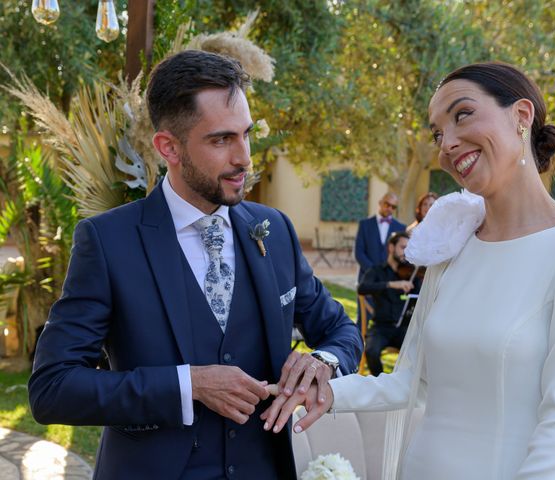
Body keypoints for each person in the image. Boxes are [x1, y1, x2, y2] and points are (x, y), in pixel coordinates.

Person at [262, 61, 555, 479]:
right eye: (437, 133)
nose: (447, 144)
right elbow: (405, 383)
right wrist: (318, 390)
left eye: (462, 115)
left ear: (521, 117)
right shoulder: (452, 246)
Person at [28, 50, 362, 480]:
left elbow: (342, 331)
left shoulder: (273, 229)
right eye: (221, 140)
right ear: (169, 147)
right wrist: (189, 386)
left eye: (246, 135)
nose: (243, 157)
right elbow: (53, 388)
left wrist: (324, 361)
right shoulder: (108, 241)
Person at [358, 231, 422, 376]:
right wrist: (391, 284)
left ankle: (403, 384)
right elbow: (362, 288)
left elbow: (419, 298)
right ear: (391, 248)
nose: (405, 253)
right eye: (402, 248)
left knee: (419, 351)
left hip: (404, 329)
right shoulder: (376, 271)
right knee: (371, 351)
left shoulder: (412, 274)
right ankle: (381, 383)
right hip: (381, 327)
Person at [354, 192, 406, 283]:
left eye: (393, 207)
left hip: (390, 280)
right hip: (367, 277)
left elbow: (400, 254)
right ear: (380, 202)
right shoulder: (364, 224)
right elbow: (359, 252)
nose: (389, 208)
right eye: (387, 204)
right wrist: (374, 271)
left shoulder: (401, 228)